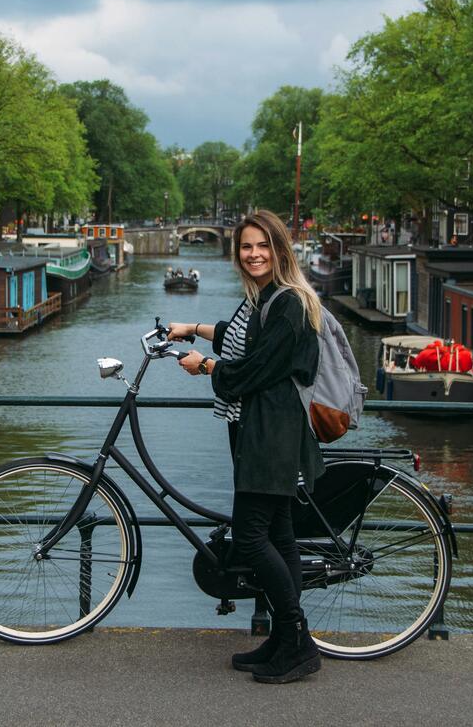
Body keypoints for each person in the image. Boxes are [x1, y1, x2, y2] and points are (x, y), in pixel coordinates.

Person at [167, 209, 325, 684]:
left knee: (252, 536)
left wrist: (207, 367)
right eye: (245, 247)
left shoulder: (291, 303)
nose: (253, 254)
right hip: (257, 430)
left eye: (262, 246)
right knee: (279, 536)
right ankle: (282, 638)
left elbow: (253, 371)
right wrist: (193, 327)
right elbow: (242, 337)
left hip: (272, 434)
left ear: (280, 250)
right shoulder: (265, 297)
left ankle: (297, 641)